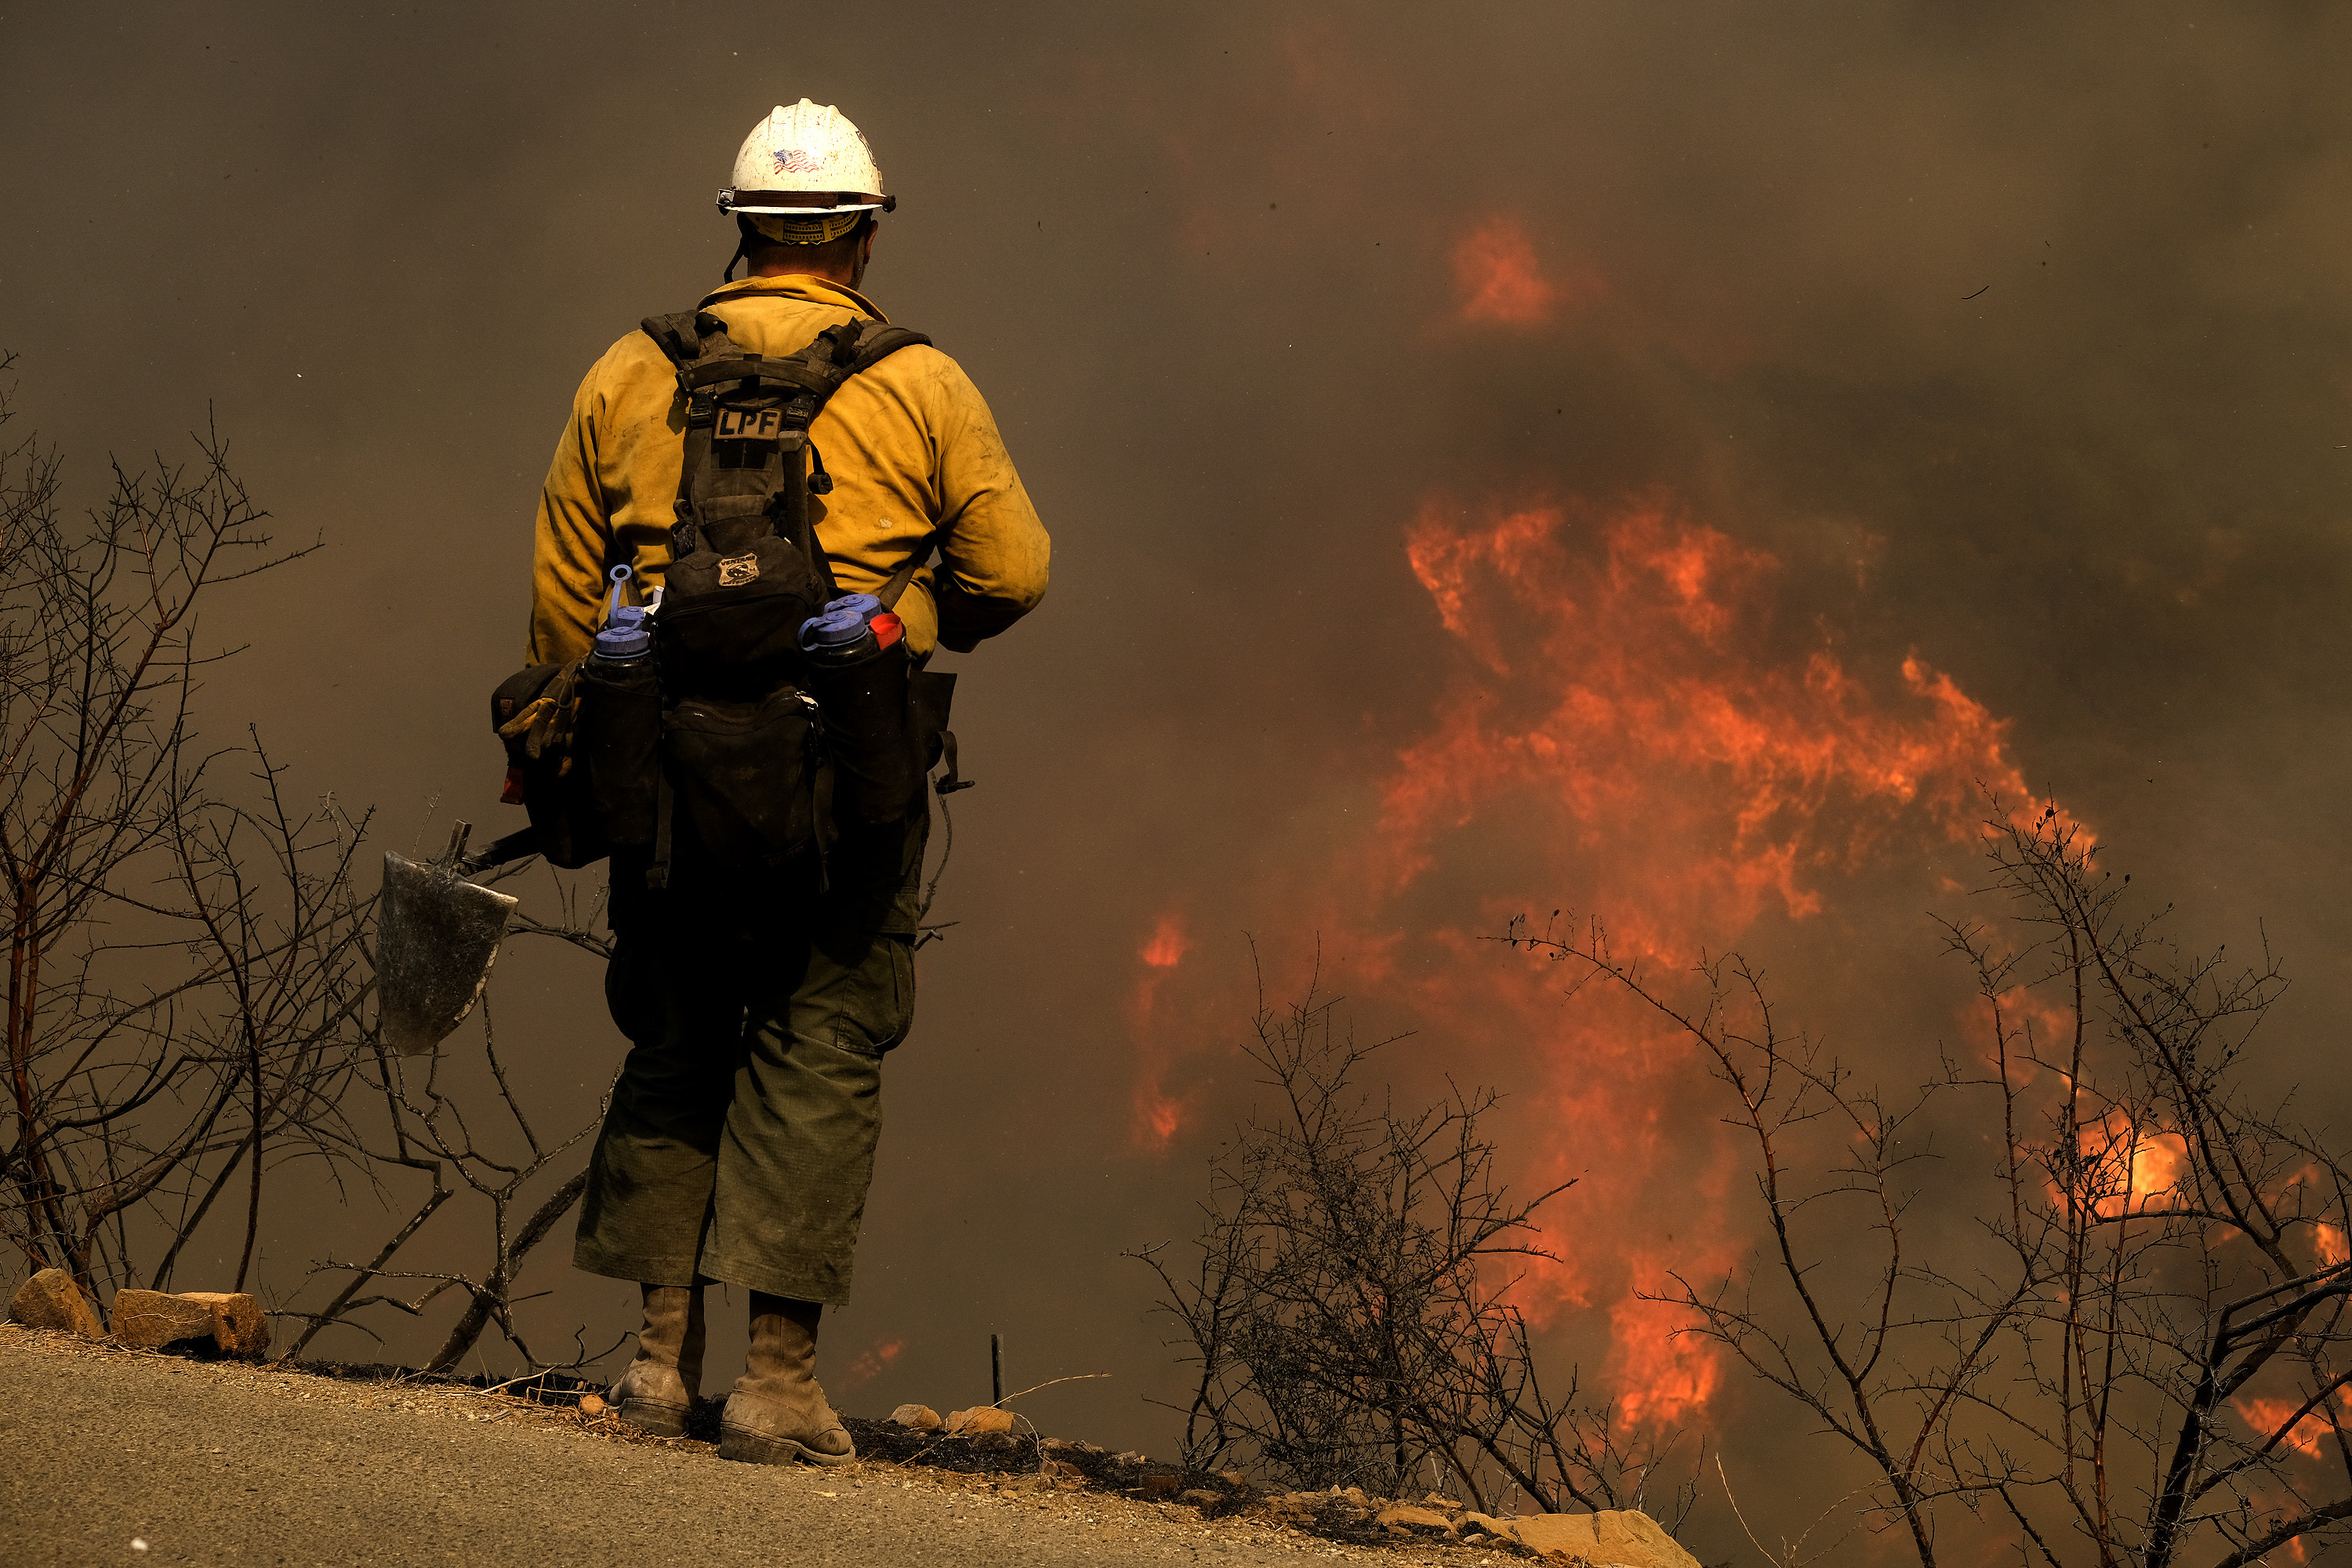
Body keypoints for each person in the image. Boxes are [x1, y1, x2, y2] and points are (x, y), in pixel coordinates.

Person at [524, 100, 1050, 1465]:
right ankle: (775, 1387)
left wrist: (597, 751)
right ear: (860, 240)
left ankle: (652, 1368)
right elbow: (1015, 572)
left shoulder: (624, 377)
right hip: (843, 785)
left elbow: (561, 614)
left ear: (740, 234)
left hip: (667, 792)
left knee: (679, 1036)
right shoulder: (920, 384)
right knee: (817, 1050)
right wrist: (911, 609)